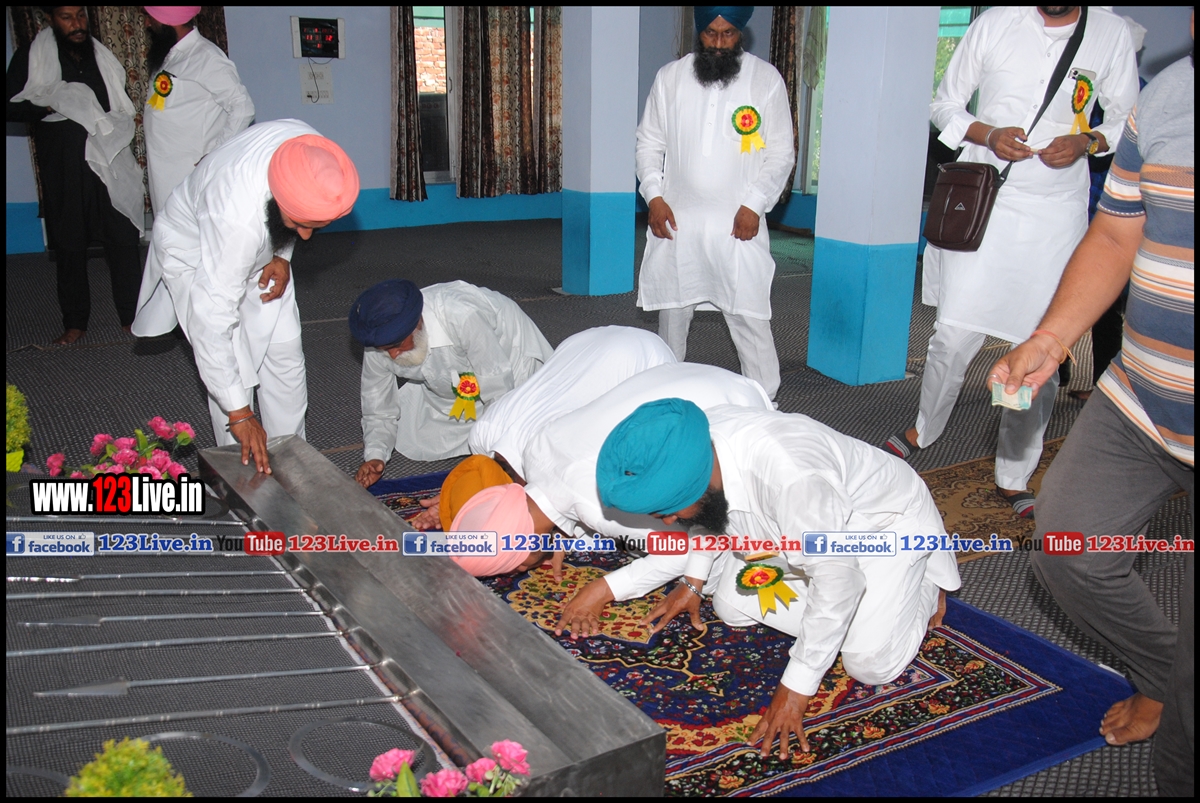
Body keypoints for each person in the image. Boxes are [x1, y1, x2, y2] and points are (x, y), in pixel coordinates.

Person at [990, 32, 1193, 795]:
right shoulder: (1168, 95)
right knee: (1069, 547)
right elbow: (1115, 232)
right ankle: (1166, 670)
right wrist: (1052, 339)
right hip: (1139, 396)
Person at [566, 399, 961, 760]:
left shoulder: (792, 477)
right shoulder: (699, 446)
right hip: (803, 534)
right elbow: (705, 514)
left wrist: (797, 687)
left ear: (698, 479)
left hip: (882, 531)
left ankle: (924, 579)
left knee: (870, 665)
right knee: (730, 606)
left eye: (668, 511)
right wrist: (694, 580)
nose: (669, 522)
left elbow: (839, 578)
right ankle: (850, 613)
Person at [885, 6, 1139, 519]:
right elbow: (943, 105)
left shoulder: (1111, 33)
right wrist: (988, 134)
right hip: (985, 204)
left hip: (1055, 216)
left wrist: (1086, 141)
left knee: (1040, 346)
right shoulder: (995, 23)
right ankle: (924, 428)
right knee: (953, 335)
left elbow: (1126, 120)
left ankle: (1014, 474)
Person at [132, 119, 360, 474]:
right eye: (299, 224)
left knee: (285, 356)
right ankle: (241, 478)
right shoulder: (235, 219)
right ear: (278, 197)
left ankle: (293, 463)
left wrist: (282, 255)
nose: (305, 236)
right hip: (197, 248)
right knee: (234, 371)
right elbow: (211, 321)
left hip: (259, 242)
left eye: (315, 226)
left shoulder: (312, 153)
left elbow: (288, 221)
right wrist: (239, 412)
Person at [636, 6, 794, 400]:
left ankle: (764, 403)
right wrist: (654, 196)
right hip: (678, 223)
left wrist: (754, 204)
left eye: (728, 34)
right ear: (698, 31)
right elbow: (649, 142)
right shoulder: (670, 78)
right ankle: (664, 397)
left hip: (737, 226)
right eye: (711, 33)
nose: (719, 44)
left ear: (741, 33)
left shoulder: (765, 80)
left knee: (749, 317)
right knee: (673, 316)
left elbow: (780, 153)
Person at [408, 325, 677, 530]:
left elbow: (589, 506)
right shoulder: (482, 433)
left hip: (646, 355)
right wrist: (457, 497)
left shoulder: (554, 456)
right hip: (586, 340)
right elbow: (486, 475)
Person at [6, 6, 145, 346]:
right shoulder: (32, 56)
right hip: (64, 165)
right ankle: (75, 323)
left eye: (80, 16)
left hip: (108, 161)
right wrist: (50, 104)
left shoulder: (101, 55)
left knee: (123, 237)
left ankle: (132, 317)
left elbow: (119, 104)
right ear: (51, 20)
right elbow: (10, 107)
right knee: (69, 242)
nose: (77, 24)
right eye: (67, 18)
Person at [521, 362, 773, 544]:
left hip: (737, 406)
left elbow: (679, 550)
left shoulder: (588, 502)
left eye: (667, 512)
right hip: (687, 371)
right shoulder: (532, 450)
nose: (667, 520)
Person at [349, 279, 554, 482]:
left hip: (508, 361)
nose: (393, 355)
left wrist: (491, 460)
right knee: (418, 437)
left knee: (526, 445)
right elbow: (377, 406)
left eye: (397, 345)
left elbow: (497, 388)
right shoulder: (379, 343)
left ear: (417, 323)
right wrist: (375, 456)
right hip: (453, 380)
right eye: (385, 349)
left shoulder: (462, 316)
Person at [142, 6, 255, 215]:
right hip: (165, 175)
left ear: (169, 20)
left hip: (190, 177)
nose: (147, 23)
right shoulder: (170, 56)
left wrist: (216, 155)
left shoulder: (206, 56)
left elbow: (242, 106)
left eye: (151, 18)